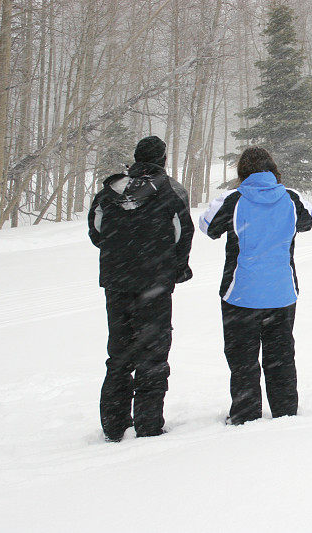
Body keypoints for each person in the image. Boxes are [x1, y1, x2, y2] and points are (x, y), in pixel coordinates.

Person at [87, 135, 194, 442]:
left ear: (135, 159)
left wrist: (123, 253)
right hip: (155, 285)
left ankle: (114, 424)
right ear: (162, 160)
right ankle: (148, 424)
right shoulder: (171, 191)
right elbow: (182, 236)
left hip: (117, 283)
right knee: (153, 353)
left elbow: (97, 233)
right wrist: (172, 268)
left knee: (119, 353)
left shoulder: (109, 193)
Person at [199, 146, 312, 425]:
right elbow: (308, 222)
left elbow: (207, 227)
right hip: (282, 293)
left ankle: (246, 414)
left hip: (241, 294)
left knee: (243, 360)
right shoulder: (291, 198)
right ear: (273, 170)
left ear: (242, 172)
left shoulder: (233, 200)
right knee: (282, 357)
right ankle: (285, 411)